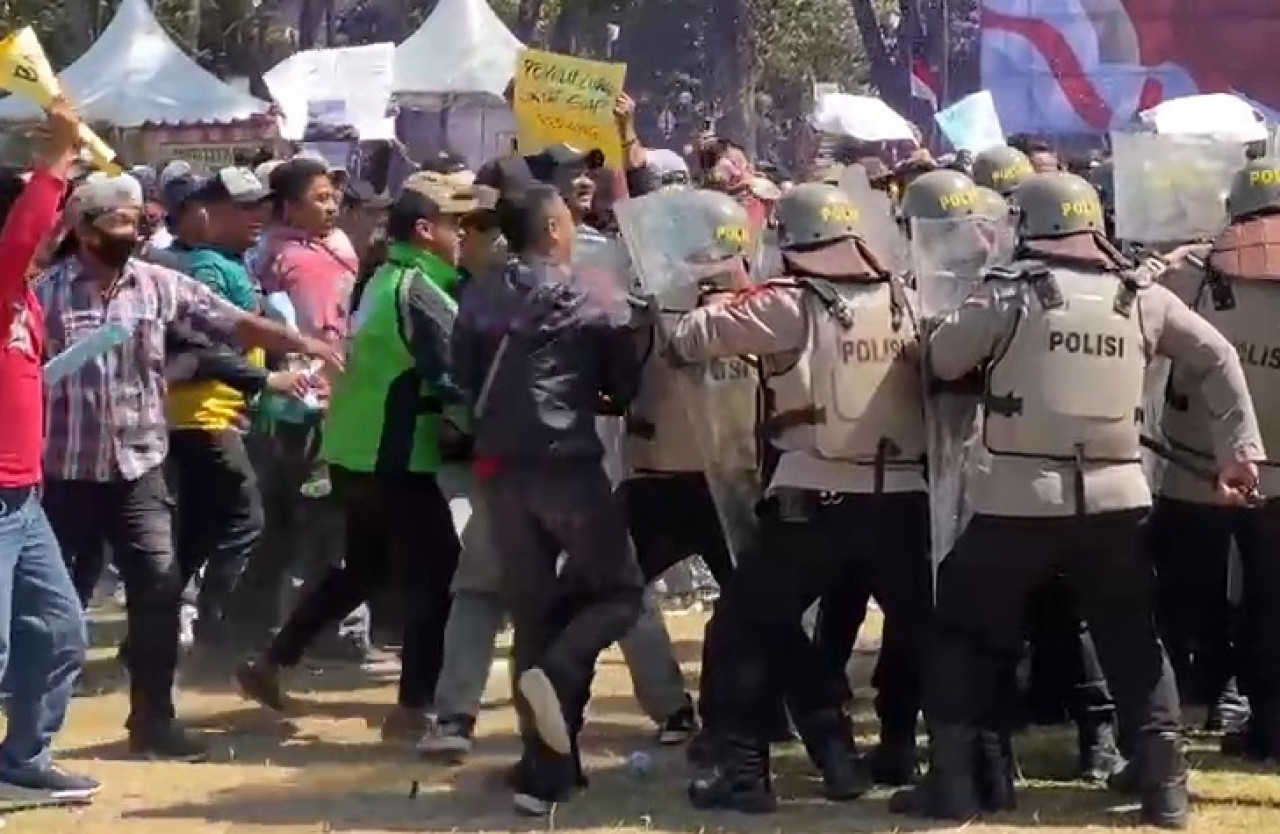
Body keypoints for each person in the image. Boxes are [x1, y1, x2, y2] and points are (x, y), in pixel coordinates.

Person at [897, 171, 1261, 830]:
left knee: (960, 630)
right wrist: (1241, 448)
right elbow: (1218, 357)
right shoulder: (1141, 295)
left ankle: (950, 785)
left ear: (1029, 226)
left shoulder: (1009, 292)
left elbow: (945, 359)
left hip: (1017, 501)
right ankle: (1167, 793)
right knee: (1133, 643)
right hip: (1119, 500)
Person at [37, 171, 342, 761]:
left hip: (139, 471)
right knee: (53, 605)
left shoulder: (157, 285)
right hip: (64, 475)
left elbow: (229, 321)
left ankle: (153, 722)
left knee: (159, 588)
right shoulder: (47, 294)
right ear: (83, 228)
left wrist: (302, 343)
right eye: (117, 221)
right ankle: (34, 733)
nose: (131, 230)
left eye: (136, 220)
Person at [667, 183, 931, 812]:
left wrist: (713, 284)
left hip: (817, 501)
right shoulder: (905, 298)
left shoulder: (791, 304)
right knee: (925, 634)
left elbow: (691, 337)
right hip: (902, 500)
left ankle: (744, 778)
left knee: (741, 628)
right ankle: (938, 759)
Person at [236, 172, 473, 744]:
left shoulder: (381, 277)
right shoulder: (418, 288)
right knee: (433, 582)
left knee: (363, 569)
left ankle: (274, 659)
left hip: (354, 450)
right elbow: (452, 379)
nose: (463, 234)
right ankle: (413, 709)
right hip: (395, 456)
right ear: (425, 230)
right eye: (455, 224)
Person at [451, 183, 644, 816]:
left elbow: (465, 379)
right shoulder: (593, 292)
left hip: (500, 470)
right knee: (618, 594)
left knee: (533, 615)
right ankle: (559, 677)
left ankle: (545, 775)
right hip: (568, 466)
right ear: (557, 229)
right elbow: (624, 382)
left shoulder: (478, 293)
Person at [1150, 156, 1280, 764]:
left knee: (1182, 600)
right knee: (1271, 603)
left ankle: (1169, 727)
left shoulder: (1191, 272)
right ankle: (1269, 724)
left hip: (1195, 467)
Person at [0, 98, 99, 802]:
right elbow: (19, 238)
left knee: (59, 631)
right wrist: (57, 160)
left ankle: (22, 761)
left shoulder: (25, 299)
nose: (53, 237)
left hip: (22, 497)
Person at [165, 167, 296, 653]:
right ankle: (217, 634)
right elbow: (201, 346)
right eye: (243, 208)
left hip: (223, 411)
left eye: (260, 205)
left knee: (200, 529)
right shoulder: (202, 269)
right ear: (205, 212)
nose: (256, 216)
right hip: (203, 413)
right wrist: (263, 376)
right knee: (245, 519)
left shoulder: (231, 261)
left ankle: (154, 628)